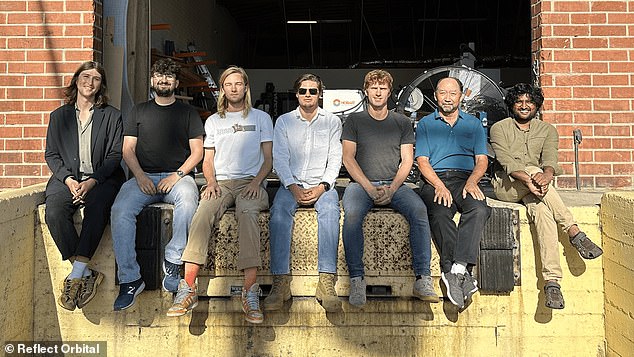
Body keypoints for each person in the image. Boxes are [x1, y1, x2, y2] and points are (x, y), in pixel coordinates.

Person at [167, 66, 273, 324]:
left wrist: (257, 182)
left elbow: (269, 159)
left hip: (251, 181)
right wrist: (211, 182)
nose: (234, 88)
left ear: (246, 88)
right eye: (229, 84)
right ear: (222, 89)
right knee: (202, 212)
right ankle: (188, 288)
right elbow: (208, 159)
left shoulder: (260, 118)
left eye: (239, 84)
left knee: (247, 212)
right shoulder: (214, 121)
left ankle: (250, 292)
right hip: (222, 182)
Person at [490, 83, 603, 310]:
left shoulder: (547, 130)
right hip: (508, 186)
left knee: (542, 213)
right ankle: (573, 231)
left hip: (538, 190)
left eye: (529, 101)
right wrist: (532, 178)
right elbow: (507, 163)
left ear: (536, 105)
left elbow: (550, 161)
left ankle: (552, 282)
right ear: (512, 105)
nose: (524, 106)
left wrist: (547, 175)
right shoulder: (499, 128)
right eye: (519, 101)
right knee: (532, 169)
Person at [110, 58, 204, 311]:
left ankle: (173, 261)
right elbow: (127, 149)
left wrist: (177, 175)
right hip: (143, 177)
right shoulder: (138, 111)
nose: (164, 80)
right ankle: (130, 279)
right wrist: (139, 176)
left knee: (189, 200)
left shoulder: (188, 113)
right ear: (151, 80)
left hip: (177, 177)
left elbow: (197, 152)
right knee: (120, 211)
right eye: (159, 76)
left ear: (176, 82)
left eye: (169, 77)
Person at [341, 69, 439, 307]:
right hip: (360, 184)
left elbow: (407, 161)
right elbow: (348, 159)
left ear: (389, 92)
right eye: (373, 88)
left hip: (394, 184)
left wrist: (393, 188)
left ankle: (423, 278)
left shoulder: (402, 122)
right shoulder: (354, 121)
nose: (377, 92)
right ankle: (356, 279)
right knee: (352, 215)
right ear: (366, 92)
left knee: (418, 211)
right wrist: (369, 188)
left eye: (382, 88)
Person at [44, 61, 125, 311]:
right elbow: (51, 155)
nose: (90, 82)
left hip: (102, 177)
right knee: (54, 212)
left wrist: (92, 181)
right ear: (76, 80)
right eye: (85, 76)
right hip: (66, 178)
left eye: (96, 78)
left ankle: (75, 275)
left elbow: (114, 155)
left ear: (102, 86)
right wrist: (69, 180)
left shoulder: (112, 115)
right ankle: (86, 273)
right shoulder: (59, 116)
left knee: (98, 207)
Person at [263, 74, 343, 313]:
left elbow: (335, 159)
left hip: (322, 184)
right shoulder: (284, 122)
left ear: (320, 94)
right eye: (303, 91)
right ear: (296, 94)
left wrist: (322, 187)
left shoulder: (332, 122)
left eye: (313, 91)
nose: (308, 95)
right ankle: (280, 283)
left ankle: (326, 282)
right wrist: (293, 187)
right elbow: (281, 158)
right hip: (291, 184)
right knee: (278, 213)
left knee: (330, 210)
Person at [415, 77, 491, 309]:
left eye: (452, 93)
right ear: (436, 95)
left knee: (479, 209)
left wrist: (473, 181)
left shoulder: (473, 124)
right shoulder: (426, 123)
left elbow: (482, 159)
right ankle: (457, 272)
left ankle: (455, 269)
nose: (447, 97)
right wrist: (438, 185)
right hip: (435, 178)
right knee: (439, 213)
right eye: (442, 93)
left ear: (461, 96)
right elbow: (422, 161)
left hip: (465, 179)